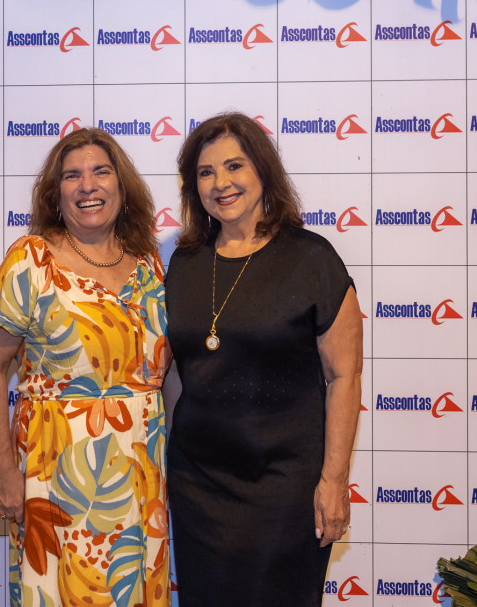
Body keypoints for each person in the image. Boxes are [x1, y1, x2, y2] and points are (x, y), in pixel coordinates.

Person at [165, 112, 362, 606]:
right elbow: (176, 374)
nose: (221, 183)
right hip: (198, 487)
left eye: (234, 165)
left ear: (263, 170)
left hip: (284, 489)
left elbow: (344, 375)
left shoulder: (312, 259)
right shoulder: (184, 263)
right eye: (206, 172)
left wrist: (334, 480)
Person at [0, 128, 171, 607]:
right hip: (56, 477)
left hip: (143, 475)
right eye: (72, 176)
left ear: (122, 187)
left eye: (101, 172)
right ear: (55, 195)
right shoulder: (31, 261)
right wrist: (3, 472)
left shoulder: (149, 264)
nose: (88, 185)